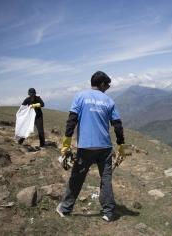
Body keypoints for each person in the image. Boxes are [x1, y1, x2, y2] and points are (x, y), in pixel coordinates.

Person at [56, 71, 125, 222]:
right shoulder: (109, 101)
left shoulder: (80, 97)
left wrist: (66, 144)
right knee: (106, 179)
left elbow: (71, 120)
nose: (108, 87)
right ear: (101, 84)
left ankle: (65, 209)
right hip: (105, 147)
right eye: (107, 84)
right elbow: (117, 125)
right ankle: (108, 212)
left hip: (85, 147)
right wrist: (121, 146)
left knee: (77, 178)